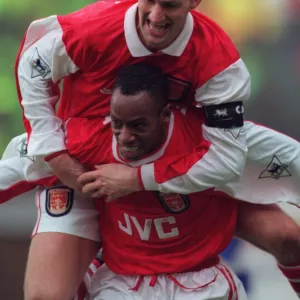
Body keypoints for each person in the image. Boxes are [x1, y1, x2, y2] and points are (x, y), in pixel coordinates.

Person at [3, 63, 300, 299]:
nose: (125, 137)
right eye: (117, 124)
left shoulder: (217, 143)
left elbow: (289, 156)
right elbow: (23, 158)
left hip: (201, 279)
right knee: (46, 293)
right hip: (122, 281)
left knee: (290, 239)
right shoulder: (87, 139)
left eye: (138, 125)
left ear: (166, 116)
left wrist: (137, 179)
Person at [16, 0, 250, 199]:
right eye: (149, 0)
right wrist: (55, 154)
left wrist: (138, 179)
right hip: (79, 164)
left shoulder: (219, 61)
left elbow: (227, 159)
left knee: (280, 234)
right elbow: (32, 65)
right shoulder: (91, 29)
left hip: (165, 177)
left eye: (170, 4)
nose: (156, 16)